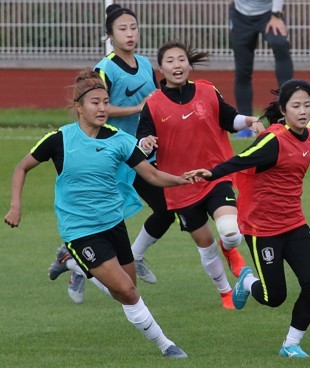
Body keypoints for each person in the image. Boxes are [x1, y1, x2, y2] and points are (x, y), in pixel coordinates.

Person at [4, 69, 189, 359]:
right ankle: (167, 346)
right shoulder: (60, 139)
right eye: (95, 102)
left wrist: (182, 178)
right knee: (128, 292)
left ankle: (73, 265)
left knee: (125, 291)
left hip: (114, 225)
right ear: (79, 107)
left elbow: (151, 175)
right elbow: (21, 167)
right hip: (79, 230)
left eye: (105, 101)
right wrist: (16, 205)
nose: (102, 108)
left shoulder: (119, 140)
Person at [186, 79, 310, 357]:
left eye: (307, 105)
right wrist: (212, 173)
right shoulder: (272, 141)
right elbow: (242, 159)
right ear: (283, 109)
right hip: (263, 229)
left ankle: (291, 344)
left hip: (295, 224)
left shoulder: (304, 135)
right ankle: (246, 280)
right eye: (296, 105)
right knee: (274, 297)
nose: (303, 110)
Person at [55, 3, 177, 304]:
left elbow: (157, 102)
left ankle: (133, 256)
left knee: (166, 210)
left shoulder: (147, 64)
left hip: (141, 154)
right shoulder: (105, 68)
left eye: (133, 27)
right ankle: (74, 261)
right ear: (110, 34)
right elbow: (97, 109)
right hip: (111, 155)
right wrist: (138, 107)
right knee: (104, 221)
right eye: (122, 29)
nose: (130, 33)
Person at [136, 40, 263, 309]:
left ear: (189, 64)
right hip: (180, 185)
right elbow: (143, 140)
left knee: (230, 232)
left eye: (181, 59)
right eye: (170, 61)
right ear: (161, 68)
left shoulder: (207, 91)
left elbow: (229, 119)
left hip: (214, 175)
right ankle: (226, 292)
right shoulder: (153, 104)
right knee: (205, 244)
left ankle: (230, 249)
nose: (177, 65)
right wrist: (145, 142)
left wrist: (249, 121)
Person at [230, 0, 293, 137]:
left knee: (281, 46)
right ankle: (245, 126)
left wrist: (276, 15)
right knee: (242, 71)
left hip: (270, 14)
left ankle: (291, 115)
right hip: (240, 16)